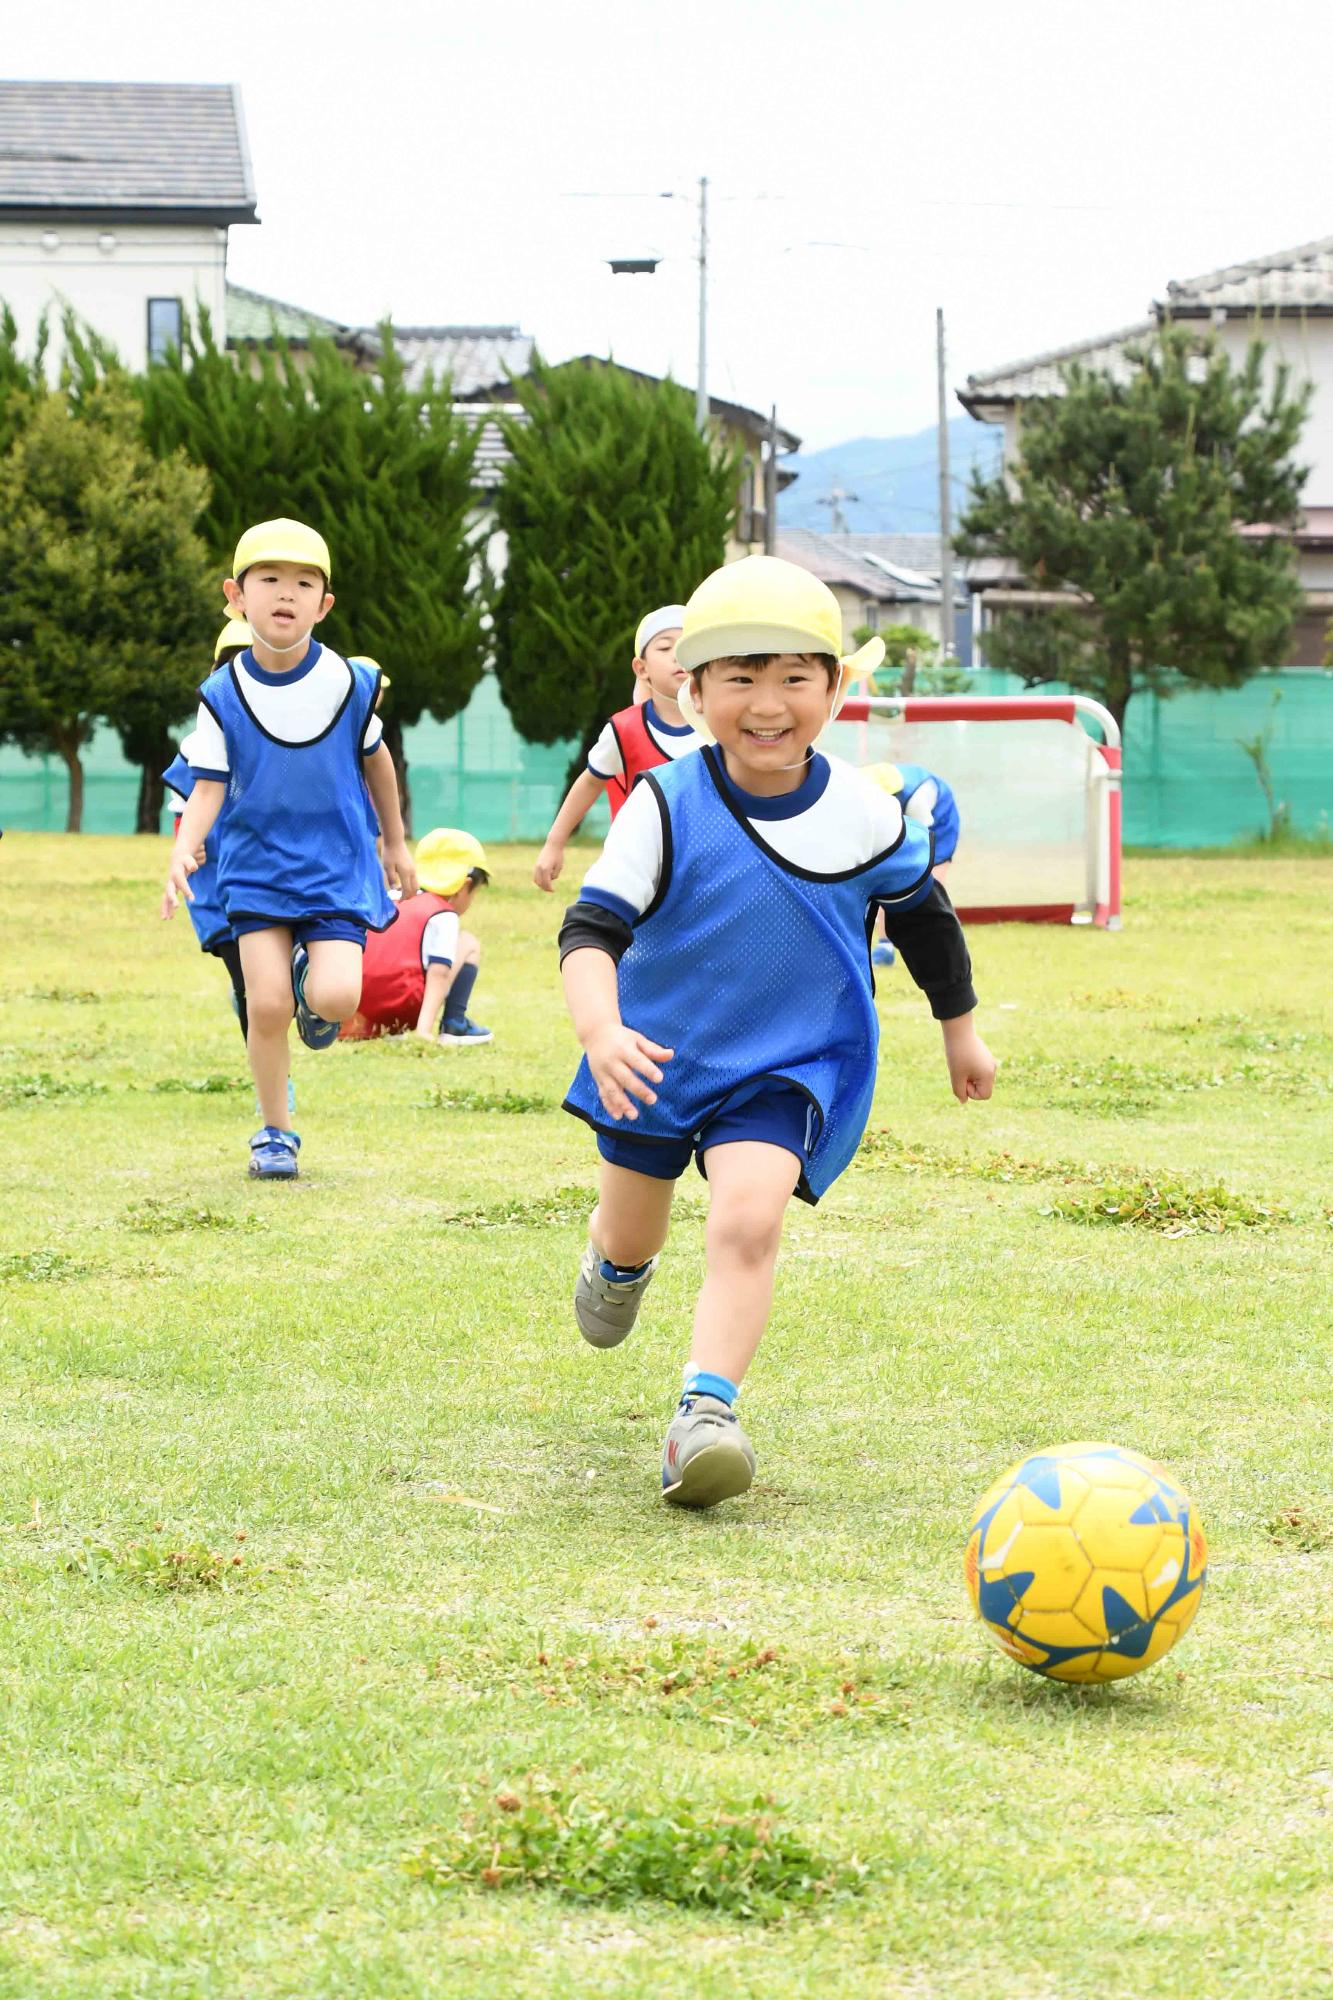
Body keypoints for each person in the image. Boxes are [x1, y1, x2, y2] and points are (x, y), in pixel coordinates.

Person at [557, 556, 995, 1509]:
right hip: (656, 1060)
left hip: (785, 1063)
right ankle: (617, 1263)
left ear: (835, 689)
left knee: (747, 1218)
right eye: (740, 677)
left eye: (795, 676)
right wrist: (600, 1031)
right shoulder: (662, 804)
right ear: (693, 688)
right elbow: (589, 932)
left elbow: (922, 917)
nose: (767, 702)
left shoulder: (862, 813)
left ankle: (702, 1417)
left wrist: (958, 1030)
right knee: (636, 1227)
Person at [161, 519, 416, 1181]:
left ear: (324, 605)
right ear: (236, 597)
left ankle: (312, 982)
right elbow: (208, 786)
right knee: (264, 1005)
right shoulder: (220, 695)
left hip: (333, 863)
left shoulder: (349, 684)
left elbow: (377, 761)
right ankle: (275, 1133)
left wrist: (394, 841)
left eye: (303, 583)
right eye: (268, 580)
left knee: (335, 1000)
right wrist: (184, 851)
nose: (285, 593)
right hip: (254, 867)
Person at [532, 606, 697, 892]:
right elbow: (590, 782)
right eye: (665, 647)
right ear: (641, 668)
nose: (677, 655)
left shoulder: (723, 725)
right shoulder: (625, 730)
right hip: (640, 868)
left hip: (705, 864)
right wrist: (554, 844)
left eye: (686, 646)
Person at [162, 614, 253, 1041]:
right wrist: (186, 846)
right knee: (248, 986)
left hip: (274, 878)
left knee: (276, 983)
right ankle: (272, 1082)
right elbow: (185, 810)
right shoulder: (197, 747)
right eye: (228, 666)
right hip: (218, 888)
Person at [339, 827, 492, 1044]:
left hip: (359, 1012)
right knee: (468, 943)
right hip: (403, 1008)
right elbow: (439, 973)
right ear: (464, 886)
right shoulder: (443, 913)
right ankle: (454, 1023)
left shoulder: (389, 898)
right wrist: (423, 1032)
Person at [863, 760, 961, 968]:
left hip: (938, 821)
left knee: (931, 885)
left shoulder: (917, 799)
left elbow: (920, 844)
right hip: (901, 819)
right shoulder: (858, 788)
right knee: (886, 880)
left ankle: (941, 944)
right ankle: (885, 946)